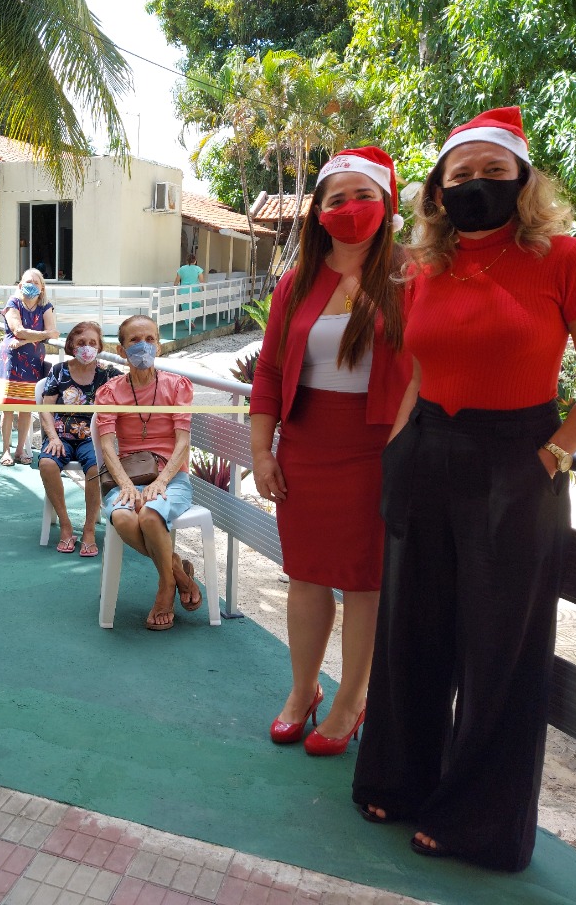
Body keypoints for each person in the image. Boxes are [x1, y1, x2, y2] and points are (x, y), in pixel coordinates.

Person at [351, 108, 576, 871]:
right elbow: (419, 370)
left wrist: (554, 457)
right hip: (427, 452)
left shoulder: (568, 259)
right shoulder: (418, 266)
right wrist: (400, 449)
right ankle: (400, 780)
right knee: (411, 628)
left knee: (500, 647)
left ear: (524, 180)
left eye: (492, 173)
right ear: (437, 190)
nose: (474, 187)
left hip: (518, 464)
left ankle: (479, 821)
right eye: (459, 175)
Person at [249, 147, 411, 756]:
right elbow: (268, 371)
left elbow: (428, 372)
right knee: (307, 578)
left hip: (380, 448)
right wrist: (262, 452)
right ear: (318, 212)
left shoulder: (411, 278)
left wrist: (401, 454)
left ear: (386, 204)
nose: (349, 209)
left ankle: (350, 700)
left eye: (363, 196)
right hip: (308, 446)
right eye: (336, 199)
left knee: (366, 583)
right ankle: (303, 690)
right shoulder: (296, 283)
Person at [94, 316, 200, 630]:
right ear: (121, 349)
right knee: (125, 517)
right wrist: (127, 486)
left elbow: (183, 442)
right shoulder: (110, 392)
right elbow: (108, 447)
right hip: (128, 475)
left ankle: (165, 588)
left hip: (171, 476)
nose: (144, 346)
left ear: (159, 343)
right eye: (135, 341)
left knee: (151, 515)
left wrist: (162, 481)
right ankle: (176, 570)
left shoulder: (177, 386)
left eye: (150, 339)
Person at [38, 322, 121, 556]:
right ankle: (65, 525)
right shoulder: (59, 370)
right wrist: (52, 437)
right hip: (60, 436)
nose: (87, 348)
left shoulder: (108, 373)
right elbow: (46, 409)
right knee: (46, 464)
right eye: (81, 343)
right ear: (71, 345)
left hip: (92, 437)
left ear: (100, 346)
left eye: (92, 343)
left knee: (95, 467)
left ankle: (88, 530)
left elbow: (133, 387)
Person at [0, 268, 57, 465]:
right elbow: (18, 330)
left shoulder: (46, 306)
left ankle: (20, 450)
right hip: (12, 361)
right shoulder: (13, 303)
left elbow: (52, 331)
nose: (31, 285)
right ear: (20, 285)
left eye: (35, 282)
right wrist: (41, 335)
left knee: (25, 409)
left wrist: (24, 340)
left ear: (42, 287)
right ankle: (5, 450)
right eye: (27, 281)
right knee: (8, 408)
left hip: (33, 363)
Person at [174, 252, 205, 325]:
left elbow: (176, 282)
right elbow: (202, 281)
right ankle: (191, 321)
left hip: (184, 291)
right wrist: (204, 290)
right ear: (195, 261)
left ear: (187, 261)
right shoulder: (198, 269)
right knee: (196, 306)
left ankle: (189, 322)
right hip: (195, 290)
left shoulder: (181, 269)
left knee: (185, 309)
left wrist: (175, 289)